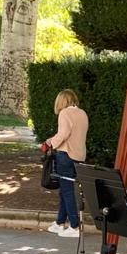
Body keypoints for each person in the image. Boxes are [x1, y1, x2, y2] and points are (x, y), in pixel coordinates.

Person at [42, 89, 89, 238]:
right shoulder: (82, 113)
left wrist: (51, 144)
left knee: (67, 191)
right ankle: (59, 222)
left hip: (66, 155)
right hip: (79, 155)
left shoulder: (65, 113)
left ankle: (75, 226)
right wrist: (53, 139)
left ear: (62, 101)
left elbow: (63, 134)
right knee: (65, 189)